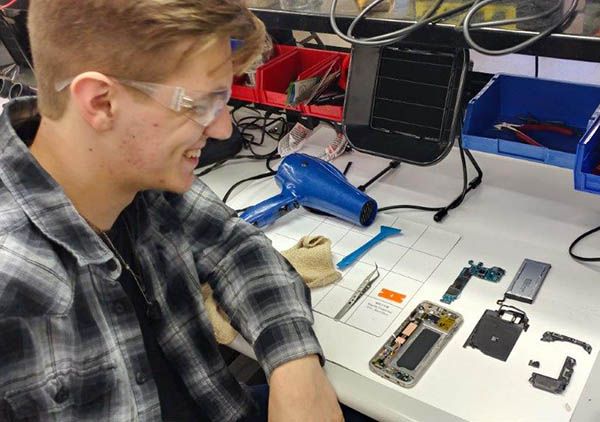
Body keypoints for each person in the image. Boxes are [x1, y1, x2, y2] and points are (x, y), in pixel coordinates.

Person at [0, 1, 360, 420]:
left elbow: (233, 245)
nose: (224, 128)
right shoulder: (15, 283)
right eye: (201, 104)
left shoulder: (138, 176)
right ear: (100, 103)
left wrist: (295, 364)